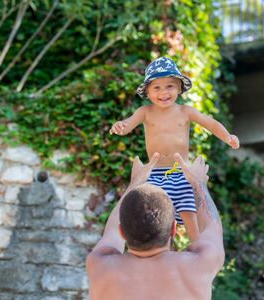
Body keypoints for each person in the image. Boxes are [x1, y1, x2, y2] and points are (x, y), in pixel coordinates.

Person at [109, 56, 239, 241]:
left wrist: (228, 137)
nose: (164, 92)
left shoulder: (185, 111)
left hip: (180, 173)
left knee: (189, 214)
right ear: (147, 92)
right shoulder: (145, 112)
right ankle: (162, 253)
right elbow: (127, 125)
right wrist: (119, 126)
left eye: (170, 86)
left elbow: (210, 123)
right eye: (157, 87)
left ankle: (197, 249)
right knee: (157, 219)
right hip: (153, 175)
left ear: (179, 87)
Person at [86, 152, 225, 300]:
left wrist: (135, 182)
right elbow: (213, 227)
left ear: (122, 232)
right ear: (173, 229)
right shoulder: (199, 264)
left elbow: (112, 230)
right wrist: (198, 183)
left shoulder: (100, 265)